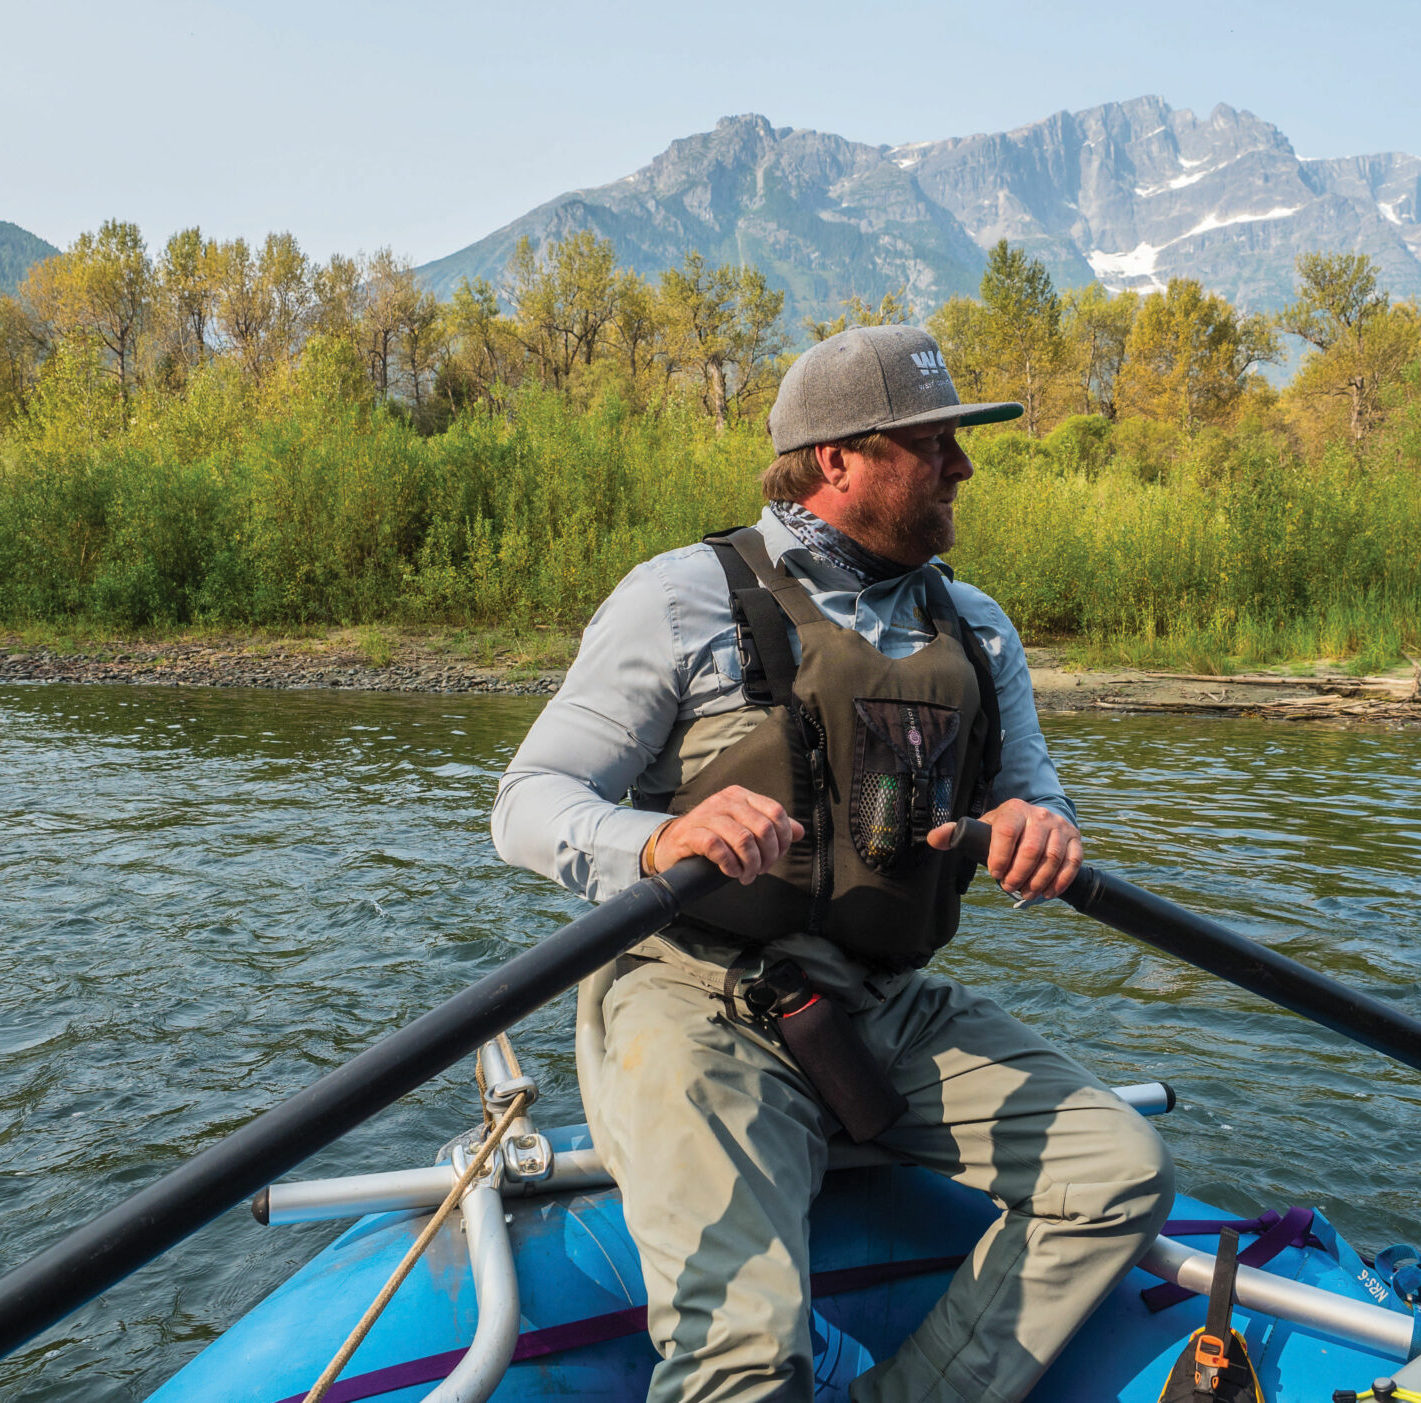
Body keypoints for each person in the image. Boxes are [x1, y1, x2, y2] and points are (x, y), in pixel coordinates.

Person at [491, 325, 1172, 1403]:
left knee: (1117, 1171)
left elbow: (1034, 794)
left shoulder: (980, 629)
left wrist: (1045, 827)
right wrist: (659, 840)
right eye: (935, 442)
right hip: (692, 997)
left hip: (885, 1004)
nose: (963, 465)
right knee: (747, 1358)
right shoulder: (684, 598)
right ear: (839, 459)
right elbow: (526, 804)